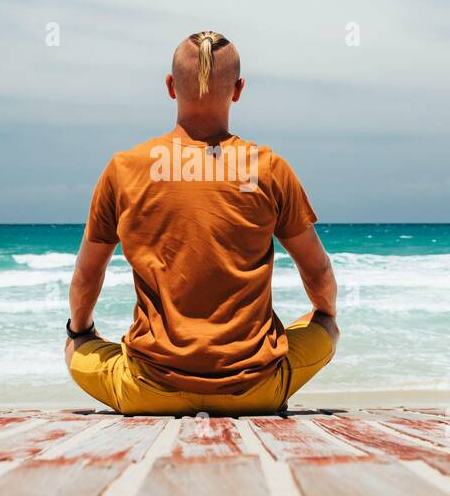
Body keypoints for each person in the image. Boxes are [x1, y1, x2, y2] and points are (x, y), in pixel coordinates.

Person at [64, 30, 339, 415]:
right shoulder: (267, 168)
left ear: (170, 86)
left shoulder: (125, 168)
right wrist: (325, 316)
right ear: (239, 89)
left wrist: (80, 331)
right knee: (325, 328)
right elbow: (318, 271)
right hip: (256, 390)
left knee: (77, 347)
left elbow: (86, 276)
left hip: (147, 390)